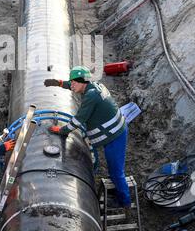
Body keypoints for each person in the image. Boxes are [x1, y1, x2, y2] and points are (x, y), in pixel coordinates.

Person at [44, 66, 131, 208]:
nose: (71, 84)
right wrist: (59, 83)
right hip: (115, 130)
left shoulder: (91, 96)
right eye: (70, 82)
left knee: (116, 172)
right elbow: (73, 85)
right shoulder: (91, 87)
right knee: (114, 170)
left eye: (74, 82)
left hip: (114, 136)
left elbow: (78, 120)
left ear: (83, 81)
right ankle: (117, 190)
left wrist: (61, 130)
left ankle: (124, 201)